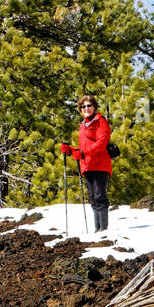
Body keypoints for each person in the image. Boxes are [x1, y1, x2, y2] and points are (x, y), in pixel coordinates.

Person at [62, 94, 111, 232]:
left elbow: (101, 143)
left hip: (100, 164)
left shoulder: (101, 122)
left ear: (94, 107)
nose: (86, 108)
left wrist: (83, 153)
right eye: (83, 106)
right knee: (92, 197)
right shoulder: (83, 125)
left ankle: (104, 230)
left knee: (99, 195)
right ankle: (97, 229)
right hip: (87, 165)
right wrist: (71, 150)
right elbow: (83, 148)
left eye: (89, 105)